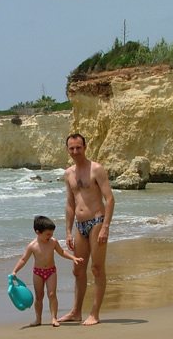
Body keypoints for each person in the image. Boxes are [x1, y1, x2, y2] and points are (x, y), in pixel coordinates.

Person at [58, 133, 115, 326]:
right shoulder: (68, 174)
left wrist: (105, 227)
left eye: (78, 147)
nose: (75, 151)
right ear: (68, 150)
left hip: (96, 221)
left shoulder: (96, 169)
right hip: (79, 226)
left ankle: (95, 313)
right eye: (71, 148)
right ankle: (75, 311)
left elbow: (110, 199)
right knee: (77, 270)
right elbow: (70, 203)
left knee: (97, 269)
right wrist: (67, 231)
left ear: (85, 147)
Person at [12, 215, 84, 327]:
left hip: (51, 271)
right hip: (38, 273)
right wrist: (15, 271)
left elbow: (62, 252)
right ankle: (38, 319)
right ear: (38, 232)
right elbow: (23, 259)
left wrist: (73, 258)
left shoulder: (53, 242)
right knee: (39, 296)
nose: (50, 236)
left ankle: (54, 318)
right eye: (48, 234)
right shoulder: (32, 246)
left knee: (52, 294)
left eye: (51, 234)